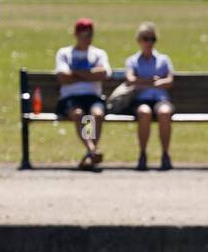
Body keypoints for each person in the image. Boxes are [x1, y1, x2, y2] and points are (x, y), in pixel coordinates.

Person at [54, 18, 111, 170]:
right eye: (83, 35)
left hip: (93, 97)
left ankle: (89, 153)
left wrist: (76, 73)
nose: (87, 38)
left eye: (90, 35)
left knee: (96, 115)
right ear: (76, 35)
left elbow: (103, 74)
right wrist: (89, 74)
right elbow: (63, 78)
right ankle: (92, 150)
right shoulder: (65, 53)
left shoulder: (98, 54)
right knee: (80, 114)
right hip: (71, 98)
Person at [124, 21, 174, 171]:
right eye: (146, 38)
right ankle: (143, 154)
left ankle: (165, 154)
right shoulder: (132, 61)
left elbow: (170, 80)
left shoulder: (163, 59)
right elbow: (130, 79)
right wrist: (151, 81)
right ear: (139, 40)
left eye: (152, 39)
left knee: (164, 113)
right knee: (144, 113)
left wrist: (146, 82)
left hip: (160, 99)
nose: (149, 42)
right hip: (141, 100)